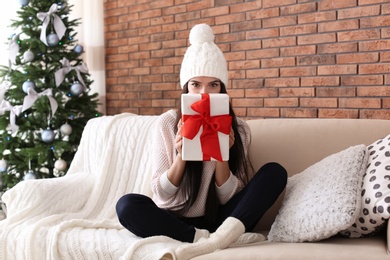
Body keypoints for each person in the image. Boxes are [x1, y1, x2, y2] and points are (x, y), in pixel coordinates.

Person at [116, 23, 288, 259]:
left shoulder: (240, 130)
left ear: (222, 89)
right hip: (175, 218)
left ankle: (220, 235)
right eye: (196, 85)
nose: (204, 94)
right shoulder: (167, 123)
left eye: (213, 85)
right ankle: (207, 240)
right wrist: (182, 156)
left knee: (274, 172)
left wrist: (221, 155)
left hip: (222, 218)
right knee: (127, 206)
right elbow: (162, 195)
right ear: (185, 88)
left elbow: (229, 198)